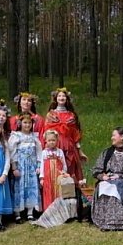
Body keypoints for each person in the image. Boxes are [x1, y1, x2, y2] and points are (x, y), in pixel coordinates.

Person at [44, 87, 88, 216]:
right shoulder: (51, 114)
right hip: (55, 146)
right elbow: (46, 134)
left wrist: (80, 151)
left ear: (67, 99)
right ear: (55, 99)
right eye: (59, 96)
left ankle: (72, 206)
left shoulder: (71, 115)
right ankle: (54, 205)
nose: (61, 98)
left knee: (69, 173)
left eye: (64, 96)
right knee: (56, 175)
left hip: (69, 147)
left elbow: (75, 134)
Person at [90, 127, 123, 231]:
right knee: (104, 186)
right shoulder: (107, 153)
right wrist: (102, 176)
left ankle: (118, 222)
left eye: (114, 135)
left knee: (116, 187)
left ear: (122, 137)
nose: (112, 138)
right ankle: (104, 220)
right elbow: (96, 170)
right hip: (107, 180)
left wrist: (120, 176)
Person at [8, 113, 42, 222]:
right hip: (21, 166)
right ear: (20, 124)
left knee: (32, 187)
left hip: (31, 166)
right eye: (25, 123)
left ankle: (30, 212)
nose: (27, 125)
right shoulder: (16, 136)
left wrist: (38, 165)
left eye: (29, 123)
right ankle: (18, 212)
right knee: (19, 187)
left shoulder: (34, 137)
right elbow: (12, 152)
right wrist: (14, 167)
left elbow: (39, 152)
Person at [39, 130, 68, 210]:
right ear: (46, 141)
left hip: (57, 176)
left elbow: (63, 163)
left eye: (53, 140)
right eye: (49, 140)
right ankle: (49, 210)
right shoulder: (44, 152)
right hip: (48, 177)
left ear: (57, 141)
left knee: (58, 191)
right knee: (48, 192)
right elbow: (42, 165)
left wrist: (64, 172)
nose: (51, 142)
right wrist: (42, 178)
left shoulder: (60, 152)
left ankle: (58, 210)